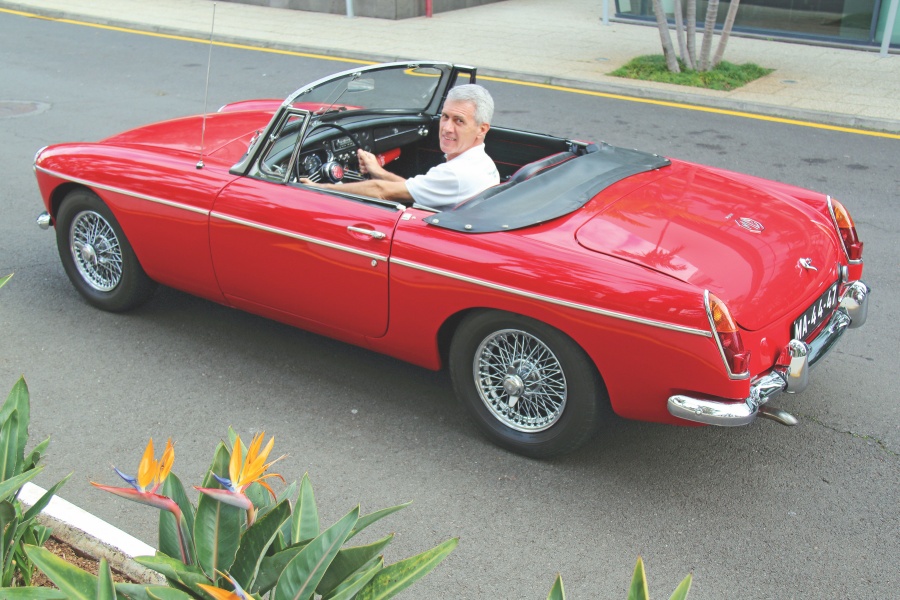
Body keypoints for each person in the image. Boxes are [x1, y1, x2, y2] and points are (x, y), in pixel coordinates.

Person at [300, 84, 499, 208]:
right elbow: (415, 189)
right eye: (445, 117)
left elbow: (381, 191)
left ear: (482, 129)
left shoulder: (455, 174)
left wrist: (319, 187)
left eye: (459, 121)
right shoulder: (484, 164)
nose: (446, 128)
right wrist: (378, 171)